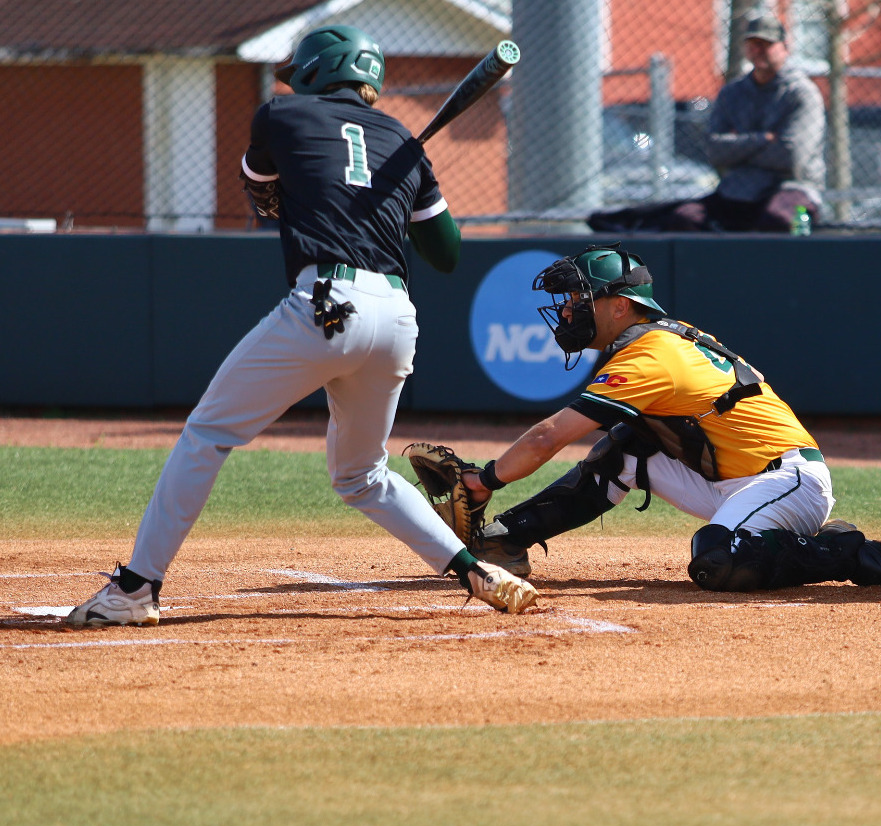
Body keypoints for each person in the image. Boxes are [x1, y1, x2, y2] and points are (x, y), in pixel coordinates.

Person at [66, 25, 537, 625]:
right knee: (362, 476)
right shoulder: (403, 142)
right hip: (396, 318)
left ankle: (135, 589)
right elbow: (447, 253)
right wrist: (405, 176)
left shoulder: (280, 115)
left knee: (208, 433)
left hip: (327, 302)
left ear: (317, 71)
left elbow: (261, 189)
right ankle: (475, 569)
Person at [454, 243, 881, 593]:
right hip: (733, 477)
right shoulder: (659, 340)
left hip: (786, 480)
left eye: (580, 297)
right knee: (625, 448)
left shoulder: (652, 354)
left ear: (620, 305)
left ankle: (840, 551)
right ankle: (507, 537)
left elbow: (547, 438)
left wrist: (485, 480)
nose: (568, 309)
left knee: (717, 559)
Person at [588, 12, 825, 234]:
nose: (759, 50)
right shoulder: (733, 92)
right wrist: (763, 139)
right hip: (739, 188)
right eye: (753, 44)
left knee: (778, 220)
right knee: (686, 217)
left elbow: (791, 155)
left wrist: (737, 148)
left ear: (784, 48)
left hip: (792, 187)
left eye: (767, 44)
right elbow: (715, 150)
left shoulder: (801, 93)